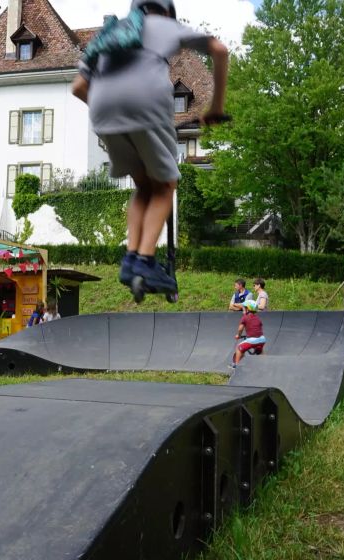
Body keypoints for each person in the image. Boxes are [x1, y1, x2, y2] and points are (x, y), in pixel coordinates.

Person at [72, 0, 229, 295]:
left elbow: (78, 86)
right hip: (147, 102)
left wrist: (116, 111)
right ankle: (145, 260)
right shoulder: (165, 25)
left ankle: (130, 259)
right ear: (166, 11)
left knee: (143, 185)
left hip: (103, 110)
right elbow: (219, 50)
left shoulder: (110, 32)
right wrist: (215, 108)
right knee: (165, 184)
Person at [230, 300, 266, 368]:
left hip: (252, 340)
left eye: (244, 307)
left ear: (248, 309)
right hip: (262, 339)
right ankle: (267, 362)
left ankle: (236, 365)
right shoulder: (257, 318)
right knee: (260, 350)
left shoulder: (245, 317)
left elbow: (240, 329)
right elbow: (258, 328)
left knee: (239, 348)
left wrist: (238, 335)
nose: (243, 309)